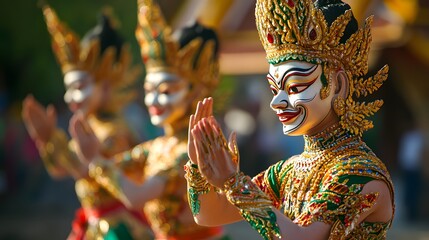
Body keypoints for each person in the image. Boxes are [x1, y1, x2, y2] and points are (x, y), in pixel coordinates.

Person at [185, 0, 395, 239]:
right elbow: (209, 215)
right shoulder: (287, 172)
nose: (277, 102)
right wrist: (198, 167)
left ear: (338, 85)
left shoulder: (358, 172)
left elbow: (300, 237)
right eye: (275, 90)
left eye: (295, 87)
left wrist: (234, 183)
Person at [69, 0, 227, 239]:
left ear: (194, 92)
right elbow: (101, 173)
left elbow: (135, 195)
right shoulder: (156, 148)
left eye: (166, 91)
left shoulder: (189, 152)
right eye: (149, 90)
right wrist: (52, 142)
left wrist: (95, 160)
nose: (153, 100)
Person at [21, 5, 152, 240]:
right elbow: (60, 170)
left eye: (79, 87)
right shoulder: (87, 128)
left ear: (104, 87)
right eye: (68, 88)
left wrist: (54, 139)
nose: (70, 97)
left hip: (121, 229)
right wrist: (47, 139)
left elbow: (84, 170)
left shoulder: (115, 133)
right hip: (93, 225)